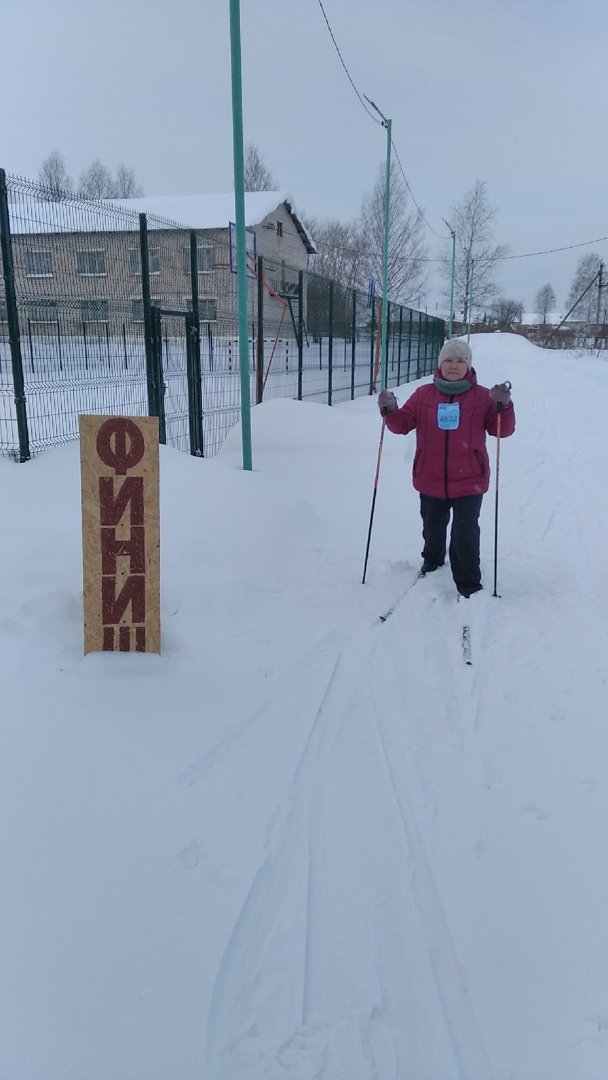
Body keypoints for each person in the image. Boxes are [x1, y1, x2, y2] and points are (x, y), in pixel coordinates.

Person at [377, 338, 515, 598]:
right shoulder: (423, 395)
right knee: (432, 528)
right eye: (449, 360)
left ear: (468, 366)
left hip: (469, 479)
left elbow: (502, 431)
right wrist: (390, 410)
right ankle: (432, 561)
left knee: (465, 533)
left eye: (460, 361)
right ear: (440, 364)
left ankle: (468, 582)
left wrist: (503, 406)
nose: (454, 365)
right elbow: (402, 424)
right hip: (430, 476)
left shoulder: (482, 396)